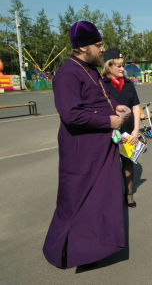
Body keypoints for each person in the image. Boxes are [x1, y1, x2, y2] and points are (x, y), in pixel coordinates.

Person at [43, 21, 131, 269]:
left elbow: (101, 98)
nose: (103, 50)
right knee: (77, 201)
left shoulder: (91, 70)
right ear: (82, 47)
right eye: (98, 45)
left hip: (101, 148)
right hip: (81, 152)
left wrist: (116, 107)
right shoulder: (67, 74)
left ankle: (97, 247)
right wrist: (109, 120)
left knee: (102, 200)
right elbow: (70, 115)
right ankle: (62, 250)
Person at [102, 48, 141, 208]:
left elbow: (136, 107)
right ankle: (109, 197)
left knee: (128, 164)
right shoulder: (101, 85)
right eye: (118, 66)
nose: (122, 69)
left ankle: (129, 194)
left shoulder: (129, 84)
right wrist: (115, 132)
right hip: (108, 133)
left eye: (123, 65)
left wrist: (135, 131)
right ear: (108, 66)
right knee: (108, 167)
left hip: (128, 132)